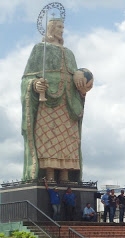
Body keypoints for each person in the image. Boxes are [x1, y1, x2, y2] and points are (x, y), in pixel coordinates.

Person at [21, 17, 92, 182]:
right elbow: (26, 79)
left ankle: (66, 175)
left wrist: (82, 89)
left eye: (63, 27)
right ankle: (50, 174)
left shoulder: (69, 53)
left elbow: (77, 79)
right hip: (48, 103)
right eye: (59, 27)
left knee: (69, 140)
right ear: (51, 28)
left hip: (68, 105)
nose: (61, 30)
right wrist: (34, 84)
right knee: (47, 137)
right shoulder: (40, 49)